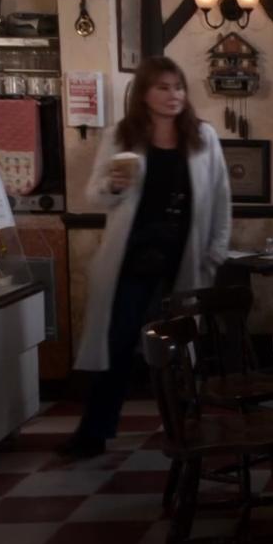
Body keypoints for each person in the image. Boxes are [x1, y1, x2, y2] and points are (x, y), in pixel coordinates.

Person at [61, 56, 232, 457]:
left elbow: (221, 198)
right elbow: (94, 195)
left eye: (178, 87)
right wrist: (114, 184)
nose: (173, 95)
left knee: (181, 346)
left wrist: (216, 253)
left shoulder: (203, 137)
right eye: (162, 87)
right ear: (144, 94)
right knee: (117, 341)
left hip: (184, 255)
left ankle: (186, 426)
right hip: (133, 257)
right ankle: (94, 431)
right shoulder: (121, 137)